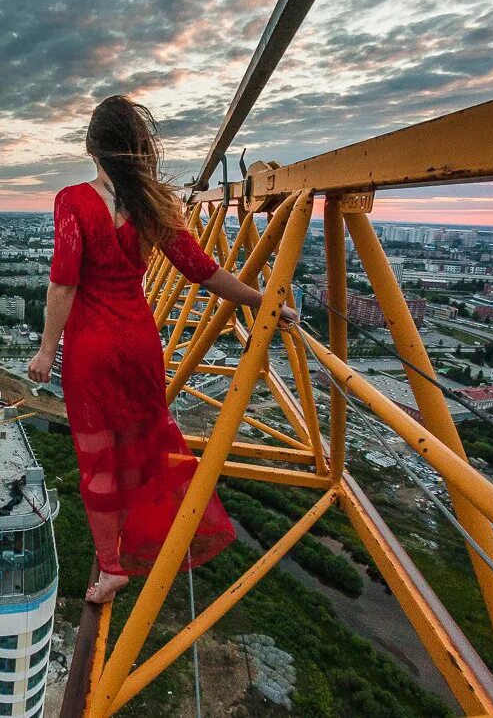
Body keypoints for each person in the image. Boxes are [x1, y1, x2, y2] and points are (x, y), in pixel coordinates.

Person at [27, 95, 299, 604]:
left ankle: (112, 568)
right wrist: (263, 301)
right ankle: (153, 534)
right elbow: (203, 270)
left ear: (92, 147)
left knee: (98, 459)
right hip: (140, 341)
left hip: (91, 348)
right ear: (139, 149)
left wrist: (46, 351)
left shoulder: (73, 200)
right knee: (145, 438)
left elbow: (62, 284)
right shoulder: (153, 205)